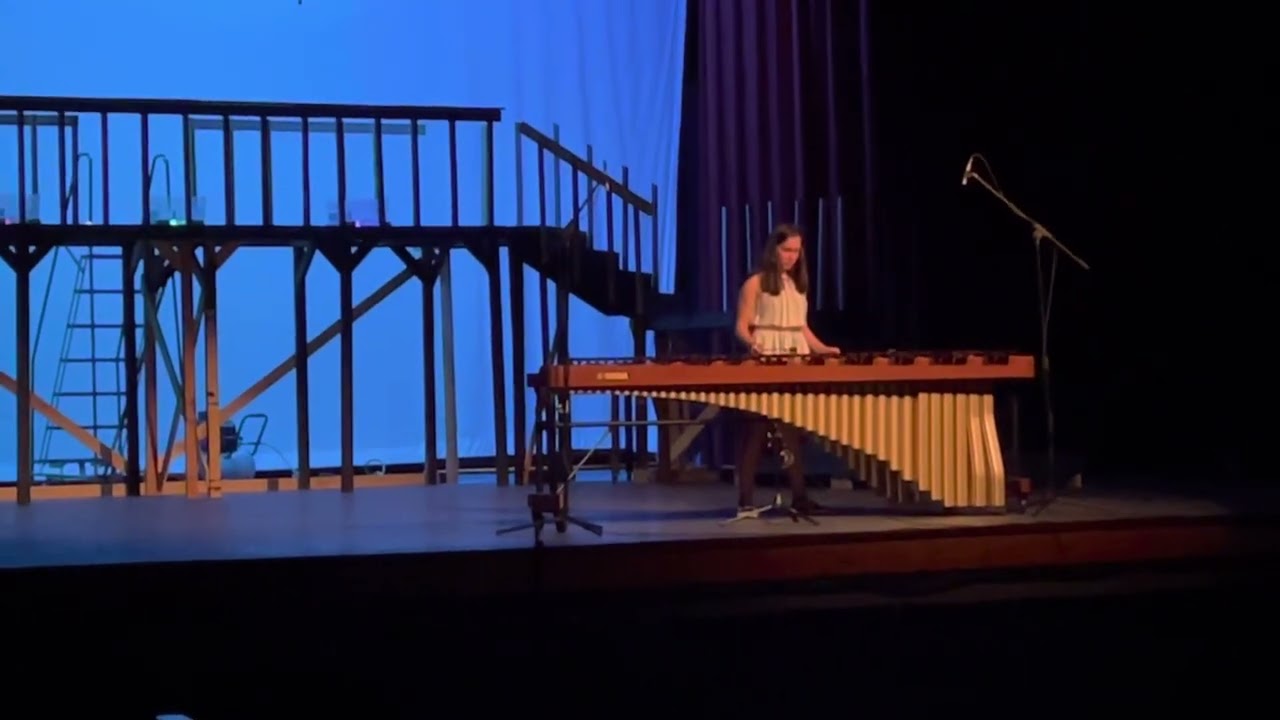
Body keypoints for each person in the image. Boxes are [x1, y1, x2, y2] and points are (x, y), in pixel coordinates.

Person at [732, 223, 840, 514]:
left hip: (795, 358)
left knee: (791, 430)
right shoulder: (755, 283)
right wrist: (753, 344)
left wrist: (822, 349)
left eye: (796, 251)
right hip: (766, 356)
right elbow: (741, 325)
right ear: (774, 250)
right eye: (786, 250)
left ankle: (800, 496)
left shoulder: (796, 285)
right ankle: (745, 500)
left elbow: (801, 328)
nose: (792, 256)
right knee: (756, 430)